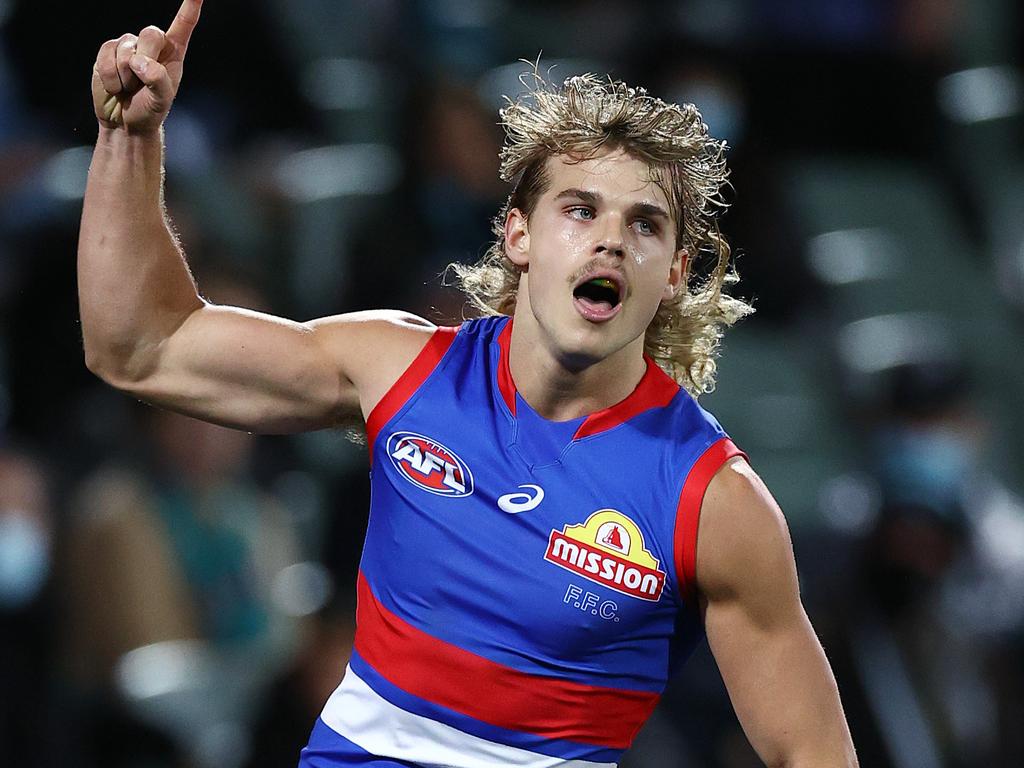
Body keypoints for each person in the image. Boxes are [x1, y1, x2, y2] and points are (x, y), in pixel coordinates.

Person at [80, 1, 858, 765]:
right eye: (580, 210)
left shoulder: (714, 503)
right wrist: (130, 135)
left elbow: (813, 751)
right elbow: (139, 347)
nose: (612, 242)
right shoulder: (398, 368)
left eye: (645, 224)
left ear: (675, 274)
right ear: (519, 234)